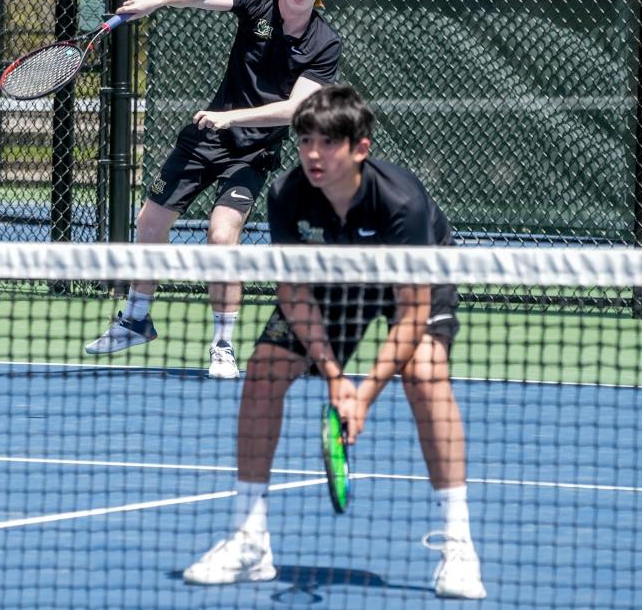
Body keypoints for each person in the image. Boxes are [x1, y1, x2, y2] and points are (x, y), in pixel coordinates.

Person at [183, 84, 487, 599]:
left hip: (413, 280)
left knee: (425, 373)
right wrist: (334, 378)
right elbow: (295, 294)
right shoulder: (286, 195)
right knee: (263, 370)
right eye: (305, 142)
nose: (313, 154)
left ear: (360, 148)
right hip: (330, 282)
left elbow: (411, 312)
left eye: (327, 143)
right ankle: (249, 539)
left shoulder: (401, 203)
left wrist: (361, 396)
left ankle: (458, 543)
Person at [84, 0, 343, 379]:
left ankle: (222, 345)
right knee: (149, 222)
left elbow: (295, 111)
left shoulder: (325, 42)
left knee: (222, 237)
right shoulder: (254, 4)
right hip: (205, 139)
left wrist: (231, 118)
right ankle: (135, 319)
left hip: (252, 152)